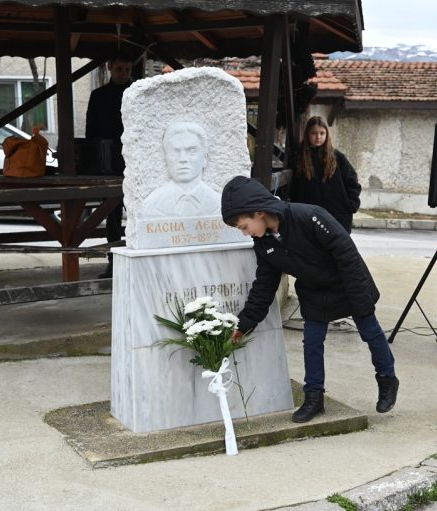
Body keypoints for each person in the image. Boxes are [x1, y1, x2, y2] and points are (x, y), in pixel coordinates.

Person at [221, 176, 398, 423]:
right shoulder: (263, 243)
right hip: (314, 291)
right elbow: (264, 287)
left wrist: (362, 301)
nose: (245, 233)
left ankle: (387, 379)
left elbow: (347, 255)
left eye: (243, 226)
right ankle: (314, 398)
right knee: (312, 343)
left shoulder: (310, 216)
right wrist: (242, 326)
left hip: (347, 281)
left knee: (370, 332)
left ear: (258, 213)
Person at [85, 51, 133, 278]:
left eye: (127, 69)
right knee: (112, 216)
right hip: (109, 163)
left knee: (137, 214)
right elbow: (90, 132)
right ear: (109, 68)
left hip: (135, 162)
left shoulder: (137, 93)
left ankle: (138, 259)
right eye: (119, 69)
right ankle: (114, 261)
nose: (123, 74)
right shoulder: (98, 96)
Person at [290, 116, 361, 233]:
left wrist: (351, 205)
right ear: (307, 134)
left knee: (335, 249)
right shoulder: (300, 158)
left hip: (337, 217)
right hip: (308, 216)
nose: (318, 137)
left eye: (322, 133)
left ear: (327, 134)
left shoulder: (337, 157)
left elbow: (352, 181)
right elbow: (295, 189)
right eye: (314, 133)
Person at [141, 121, 221, 219]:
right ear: (165, 158)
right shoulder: (151, 204)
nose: (183, 159)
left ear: (205, 158)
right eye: (175, 151)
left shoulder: (218, 204)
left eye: (191, 151)